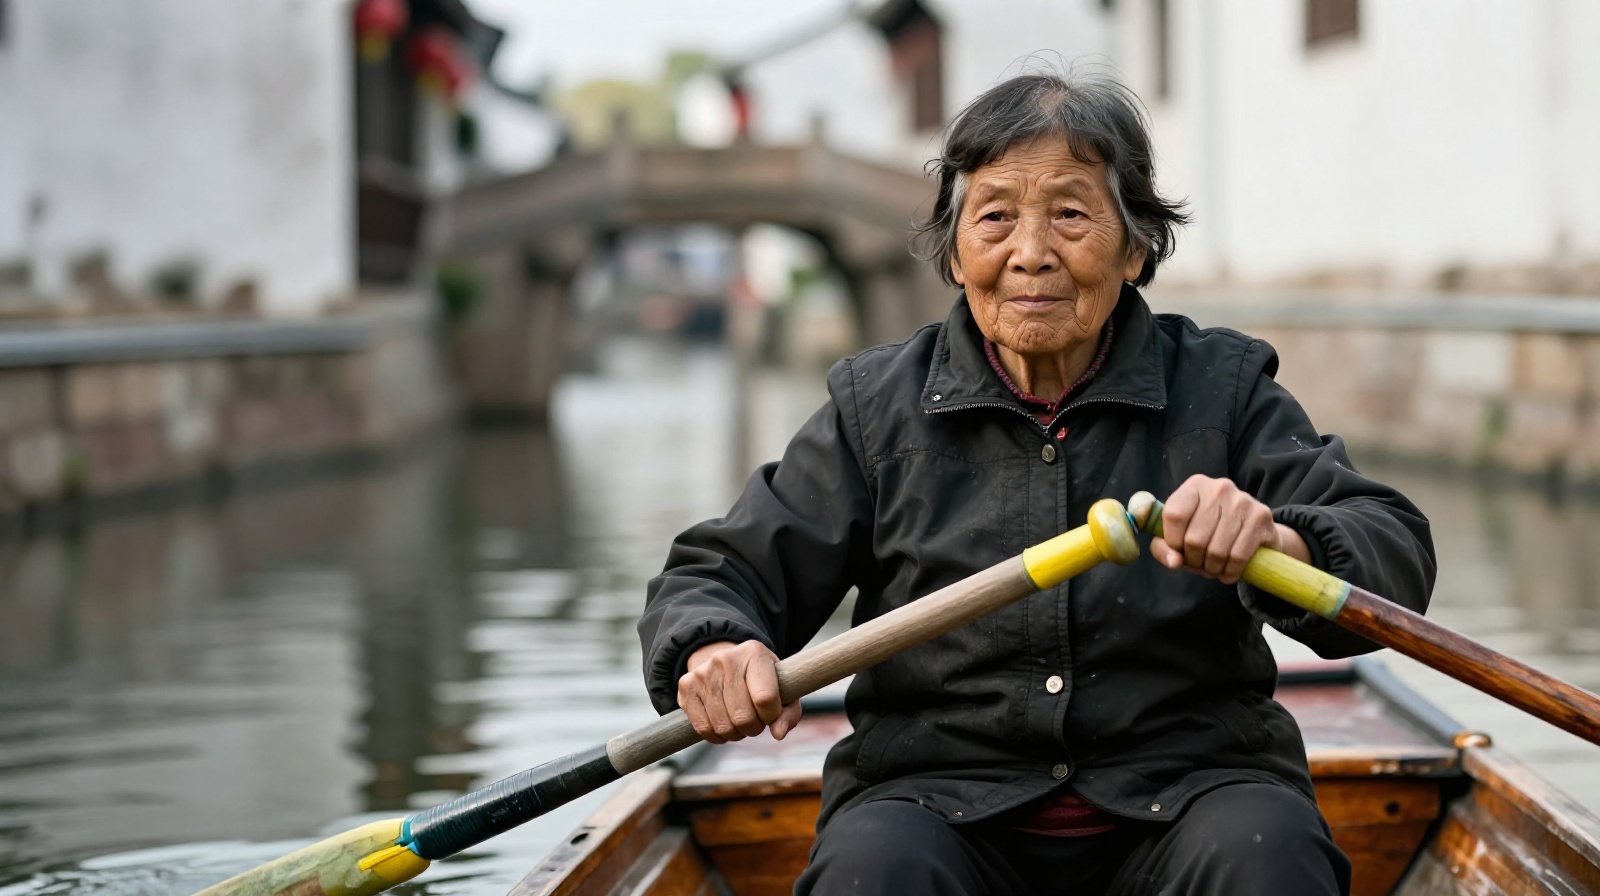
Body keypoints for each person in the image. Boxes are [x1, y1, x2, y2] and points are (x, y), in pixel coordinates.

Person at [637, 70, 1435, 896]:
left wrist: (1279, 540)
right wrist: (716, 647)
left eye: (1070, 214)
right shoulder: (874, 409)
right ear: (954, 251)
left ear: (1134, 246)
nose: (1030, 253)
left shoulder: (1222, 388)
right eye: (994, 218)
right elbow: (717, 572)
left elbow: (1391, 549)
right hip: (936, 804)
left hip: (1193, 794)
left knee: (1268, 855)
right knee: (873, 872)